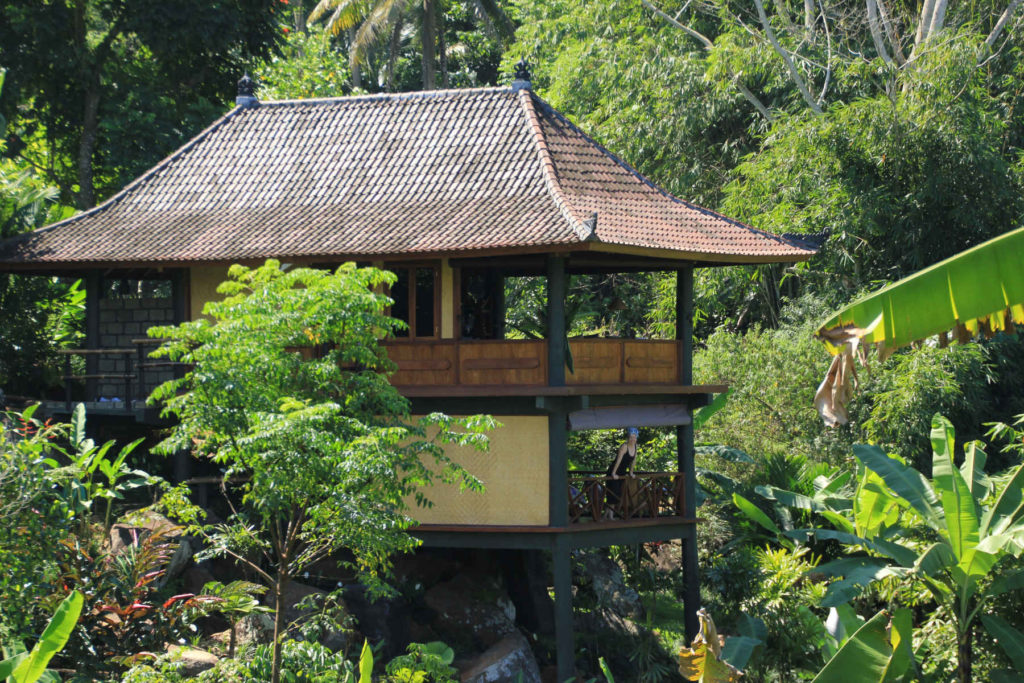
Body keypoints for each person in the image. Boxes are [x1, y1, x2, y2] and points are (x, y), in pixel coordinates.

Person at [605, 427, 639, 511]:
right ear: (628, 437)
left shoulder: (635, 446)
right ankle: (609, 517)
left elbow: (634, 460)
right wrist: (613, 473)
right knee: (612, 495)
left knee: (617, 495)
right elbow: (618, 460)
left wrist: (631, 472)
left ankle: (607, 517)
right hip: (614, 471)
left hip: (622, 473)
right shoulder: (624, 446)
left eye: (634, 437)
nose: (632, 439)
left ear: (636, 438)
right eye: (631, 437)